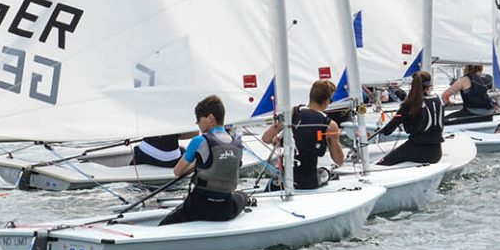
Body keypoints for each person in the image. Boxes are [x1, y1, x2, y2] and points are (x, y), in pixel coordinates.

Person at [158, 95, 249, 225]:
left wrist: (197, 163)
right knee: (242, 196)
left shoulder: (199, 141)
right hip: (225, 210)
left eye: (198, 120)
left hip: (198, 208)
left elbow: (177, 172)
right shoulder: (237, 144)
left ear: (210, 118)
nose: (198, 124)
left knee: (162, 226)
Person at [262, 80, 344, 190]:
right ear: (328, 101)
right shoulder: (330, 125)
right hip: (308, 183)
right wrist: (333, 139)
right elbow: (339, 161)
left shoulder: (291, 113)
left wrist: (277, 141)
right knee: (325, 173)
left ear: (310, 96)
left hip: (283, 182)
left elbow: (266, 138)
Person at [376, 71, 444, 166]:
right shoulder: (438, 100)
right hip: (436, 153)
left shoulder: (409, 104)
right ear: (430, 85)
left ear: (413, 84)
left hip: (417, 150)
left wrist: (381, 131)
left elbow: (390, 128)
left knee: (382, 164)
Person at [131, 132, 198, 168]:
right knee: (183, 150)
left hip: (145, 153)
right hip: (170, 160)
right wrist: (174, 134)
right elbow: (195, 133)